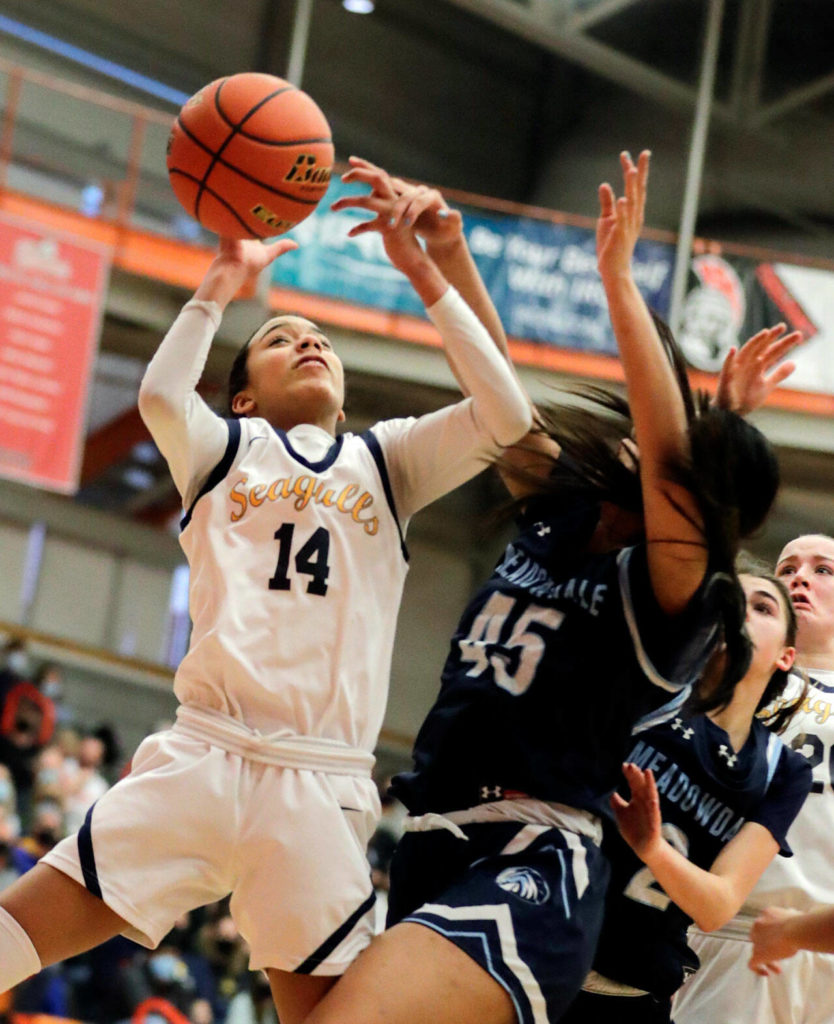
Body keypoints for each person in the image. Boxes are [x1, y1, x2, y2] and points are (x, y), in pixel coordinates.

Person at [0, 158, 533, 1024]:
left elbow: (507, 417)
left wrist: (427, 273)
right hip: (204, 755)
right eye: (282, 336)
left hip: (320, 787)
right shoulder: (222, 450)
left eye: (320, 338)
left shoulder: (387, 461)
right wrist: (222, 282)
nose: (310, 341)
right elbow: (162, 393)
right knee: (14, 934)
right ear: (244, 396)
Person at [296, 150, 782, 1024]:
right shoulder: (565, 512)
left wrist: (620, 286)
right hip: (434, 840)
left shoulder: (672, 589)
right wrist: (447, 255)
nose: (640, 431)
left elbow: (678, 462)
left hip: (535, 861)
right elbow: (499, 396)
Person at [559, 568, 812, 1023]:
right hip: (539, 950)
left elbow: (717, 906)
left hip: (627, 995)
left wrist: (653, 849)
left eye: (761, 607)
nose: (740, 612)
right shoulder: (651, 691)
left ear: (786, 656)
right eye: (729, 600)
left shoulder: (783, 770)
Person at [673, 533, 834, 1024]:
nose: (799, 577)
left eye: (823, 569)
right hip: (730, 932)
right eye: (787, 570)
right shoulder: (716, 686)